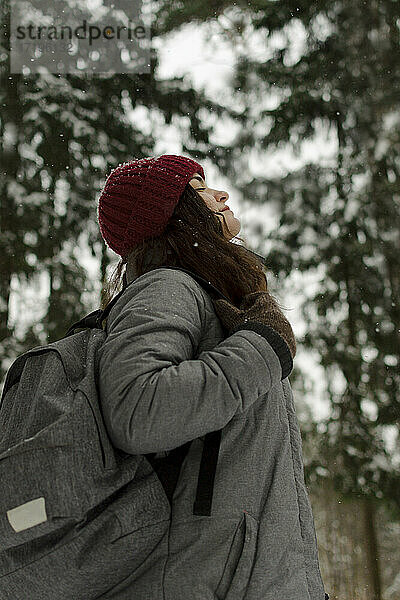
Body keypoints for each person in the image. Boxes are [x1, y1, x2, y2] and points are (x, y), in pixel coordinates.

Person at [96, 154, 328, 599]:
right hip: (204, 579)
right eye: (201, 190)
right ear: (174, 215)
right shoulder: (169, 286)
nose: (220, 194)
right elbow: (138, 411)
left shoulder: (214, 300)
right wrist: (263, 346)